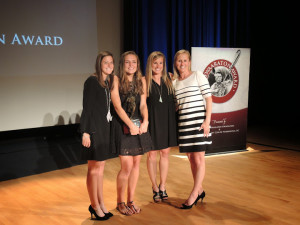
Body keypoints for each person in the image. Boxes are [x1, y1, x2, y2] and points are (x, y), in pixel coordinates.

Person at [111, 51, 153, 215]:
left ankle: (131, 200)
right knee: (126, 166)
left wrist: (146, 121)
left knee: (136, 165)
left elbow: (143, 104)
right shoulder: (115, 79)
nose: (131, 65)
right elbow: (117, 107)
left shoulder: (141, 80)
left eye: (134, 62)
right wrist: (130, 125)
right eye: (128, 62)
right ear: (122, 64)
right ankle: (120, 202)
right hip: (123, 127)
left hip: (138, 126)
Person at [172, 49, 212, 209]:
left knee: (199, 158)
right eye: (179, 61)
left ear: (189, 62)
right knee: (191, 158)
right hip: (184, 124)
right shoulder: (174, 83)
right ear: (175, 63)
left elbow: (209, 99)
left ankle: (194, 193)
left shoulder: (197, 75)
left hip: (199, 123)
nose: (182, 63)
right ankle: (200, 189)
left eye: (185, 60)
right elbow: (176, 105)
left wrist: (207, 121)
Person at [80, 51, 117, 220]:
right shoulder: (92, 81)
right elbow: (86, 108)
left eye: (111, 62)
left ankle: (101, 203)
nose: (109, 65)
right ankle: (94, 205)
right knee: (94, 170)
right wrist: (85, 132)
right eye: (105, 63)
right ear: (99, 64)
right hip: (93, 130)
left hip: (104, 129)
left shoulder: (107, 82)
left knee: (100, 169)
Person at [145, 51, 177, 203]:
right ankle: (154, 187)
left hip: (167, 120)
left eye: (161, 63)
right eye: (155, 63)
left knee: (165, 153)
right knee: (152, 155)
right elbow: (142, 104)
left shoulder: (170, 78)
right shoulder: (144, 81)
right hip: (152, 121)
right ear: (150, 64)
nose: (158, 66)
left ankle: (163, 186)